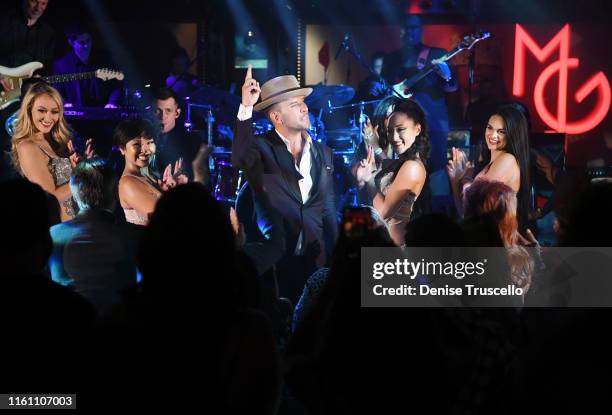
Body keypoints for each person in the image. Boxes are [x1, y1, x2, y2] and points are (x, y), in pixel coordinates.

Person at [232, 65, 338, 303]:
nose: (304, 107)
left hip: (316, 259)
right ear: (276, 117)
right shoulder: (262, 147)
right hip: (278, 262)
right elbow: (239, 157)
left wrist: (339, 252)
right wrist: (247, 107)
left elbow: (328, 208)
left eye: (303, 102)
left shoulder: (324, 153)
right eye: (294, 104)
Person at [381, 14, 458, 206]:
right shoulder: (392, 59)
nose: (410, 32)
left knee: (437, 168)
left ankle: (439, 215)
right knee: (404, 167)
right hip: (402, 126)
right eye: (407, 28)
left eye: (414, 28)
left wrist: (447, 76)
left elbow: (452, 87)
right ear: (401, 31)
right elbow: (385, 91)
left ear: (421, 31)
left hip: (434, 123)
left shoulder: (435, 54)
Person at [49, 159, 140, 314]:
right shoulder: (136, 235)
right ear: (115, 194)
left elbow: (58, 286)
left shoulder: (55, 234)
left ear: (74, 195)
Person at [11, 82, 93, 221]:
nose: (48, 118)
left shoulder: (58, 141)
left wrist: (80, 165)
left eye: (54, 112)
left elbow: (68, 183)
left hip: (81, 222)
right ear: (29, 109)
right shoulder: (27, 146)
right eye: (42, 111)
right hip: (60, 230)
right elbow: (51, 197)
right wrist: (83, 176)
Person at [353, 99, 430, 246]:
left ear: (418, 129)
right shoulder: (400, 163)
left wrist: (368, 179)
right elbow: (382, 169)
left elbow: (382, 212)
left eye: (401, 129)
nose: (394, 137)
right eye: (390, 131)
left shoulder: (412, 167)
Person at [447, 104, 530, 233]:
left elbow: (474, 198)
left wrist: (465, 177)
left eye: (501, 131)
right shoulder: (490, 163)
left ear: (512, 134)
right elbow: (465, 213)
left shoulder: (507, 159)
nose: (492, 135)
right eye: (489, 128)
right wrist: (455, 180)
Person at [116, 118, 186, 226]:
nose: (145, 150)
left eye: (149, 142)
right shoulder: (128, 183)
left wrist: (170, 189)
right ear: (122, 149)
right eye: (137, 145)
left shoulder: (147, 177)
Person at [150, 87, 211, 185]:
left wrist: (186, 182)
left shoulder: (192, 141)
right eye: (158, 111)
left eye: (168, 111)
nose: (162, 117)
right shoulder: (144, 139)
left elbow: (205, 185)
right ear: (151, 112)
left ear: (177, 113)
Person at [52, 22, 121, 108]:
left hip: (104, 114)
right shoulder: (61, 65)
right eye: (81, 42)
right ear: (71, 43)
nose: (86, 45)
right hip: (74, 119)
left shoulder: (105, 59)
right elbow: (57, 90)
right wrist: (64, 103)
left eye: (88, 40)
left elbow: (117, 85)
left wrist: (112, 102)